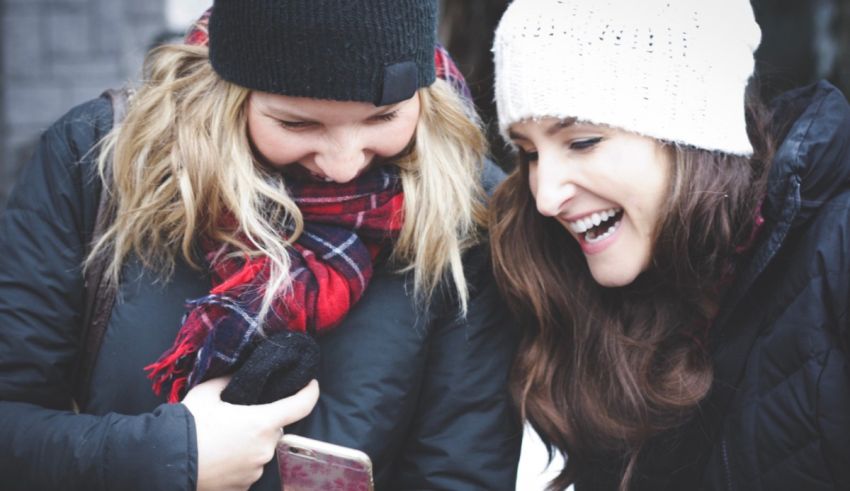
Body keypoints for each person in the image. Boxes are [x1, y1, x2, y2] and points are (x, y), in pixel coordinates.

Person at [0, 1, 521, 489]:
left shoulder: (466, 205)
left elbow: (460, 469)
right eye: (297, 122)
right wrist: (169, 456)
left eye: (383, 118)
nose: (343, 165)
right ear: (229, 93)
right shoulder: (100, 163)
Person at [489, 0, 850, 490]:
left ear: (694, 134)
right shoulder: (582, 290)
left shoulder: (836, 254)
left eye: (582, 142)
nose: (546, 196)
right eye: (528, 153)